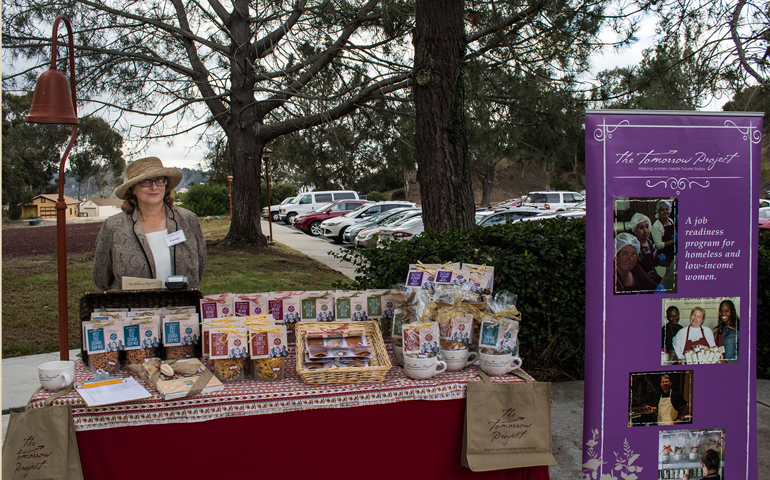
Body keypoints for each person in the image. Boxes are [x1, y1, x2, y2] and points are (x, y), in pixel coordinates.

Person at [93, 157, 206, 291]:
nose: (154, 187)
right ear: (133, 189)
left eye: (159, 181)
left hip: (182, 308)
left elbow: (200, 265)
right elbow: (101, 277)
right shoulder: (114, 226)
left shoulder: (188, 220)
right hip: (133, 309)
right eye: (146, 182)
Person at [628, 212, 663, 282]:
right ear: (635, 230)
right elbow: (637, 271)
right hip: (644, 281)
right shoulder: (635, 248)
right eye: (641, 228)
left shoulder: (649, 242)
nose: (645, 231)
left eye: (647, 226)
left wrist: (657, 258)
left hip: (654, 276)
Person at [652, 199, 676, 265]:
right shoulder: (657, 226)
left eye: (667, 209)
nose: (665, 211)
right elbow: (658, 245)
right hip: (664, 254)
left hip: (672, 251)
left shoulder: (670, 220)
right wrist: (673, 241)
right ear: (658, 212)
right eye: (662, 210)